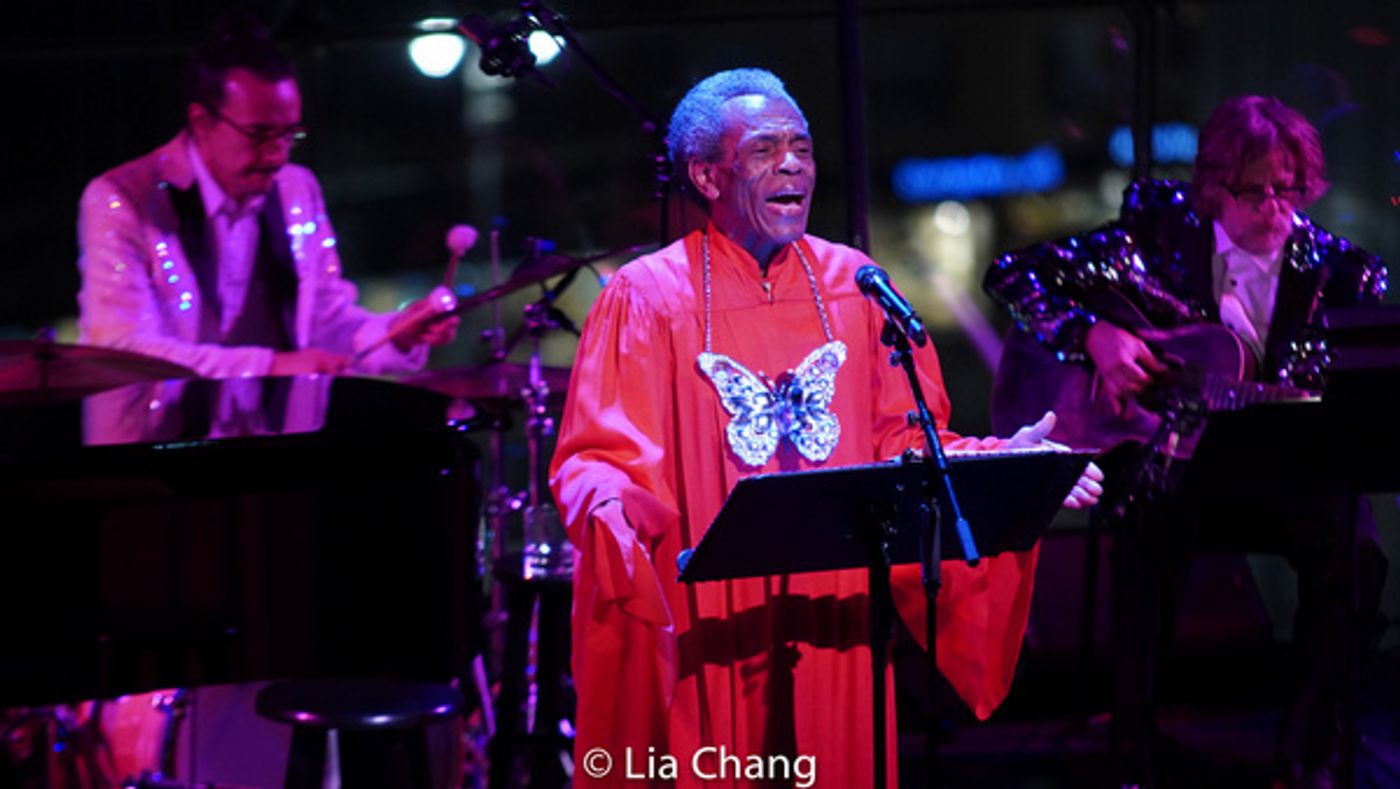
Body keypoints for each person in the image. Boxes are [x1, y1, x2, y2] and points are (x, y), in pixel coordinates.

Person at [550, 67, 1102, 787]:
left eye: (803, 149)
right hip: (713, 619)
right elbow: (601, 451)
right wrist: (609, 508)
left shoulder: (856, 285)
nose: (792, 165)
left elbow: (903, 444)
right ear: (706, 175)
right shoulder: (648, 297)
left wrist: (1006, 471)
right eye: (763, 150)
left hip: (831, 614)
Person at [984, 95, 1388, 788]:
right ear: (1213, 188)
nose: (1273, 207)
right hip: (1173, 465)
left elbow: (1354, 397)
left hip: (1284, 473)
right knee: (1147, 529)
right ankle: (1134, 749)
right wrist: (1095, 334)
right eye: (1252, 190)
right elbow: (1011, 275)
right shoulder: (1155, 236)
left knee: (1356, 552)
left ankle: (1304, 755)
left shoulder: (1343, 273)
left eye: (1288, 188)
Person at [76, 12, 457, 380]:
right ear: (201, 122)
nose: (277, 153)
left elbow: (326, 325)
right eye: (259, 134)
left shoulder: (296, 188)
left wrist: (396, 333)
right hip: (154, 439)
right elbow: (124, 350)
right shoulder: (122, 199)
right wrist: (271, 367)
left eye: (288, 134)